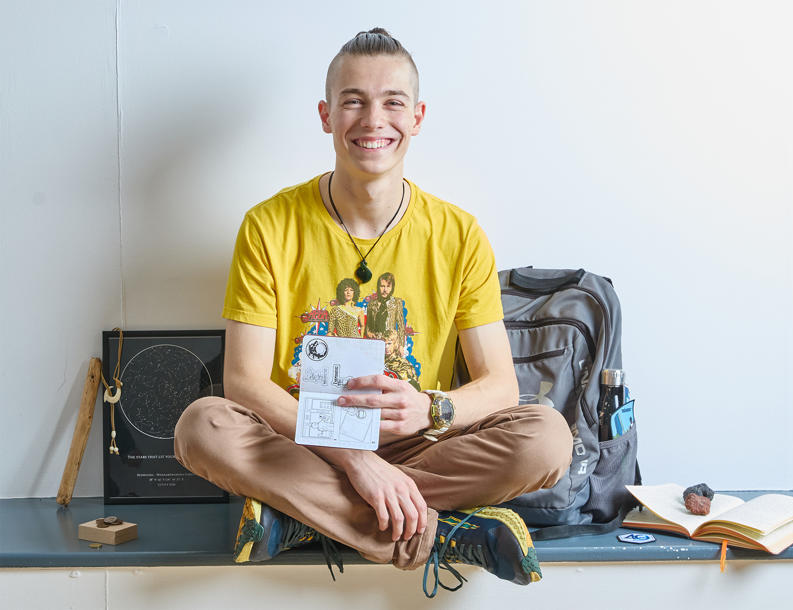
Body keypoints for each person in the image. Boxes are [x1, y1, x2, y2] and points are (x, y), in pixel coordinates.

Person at [173, 28, 571, 598]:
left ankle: (302, 516)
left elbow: (501, 386)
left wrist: (430, 408)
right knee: (202, 427)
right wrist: (356, 461)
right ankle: (440, 532)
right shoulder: (268, 225)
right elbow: (243, 382)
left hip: (421, 445)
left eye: (392, 102)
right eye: (353, 100)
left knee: (547, 438)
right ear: (326, 114)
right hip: (302, 444)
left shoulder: (458, 234)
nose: (372, 119)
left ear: (418, 116)